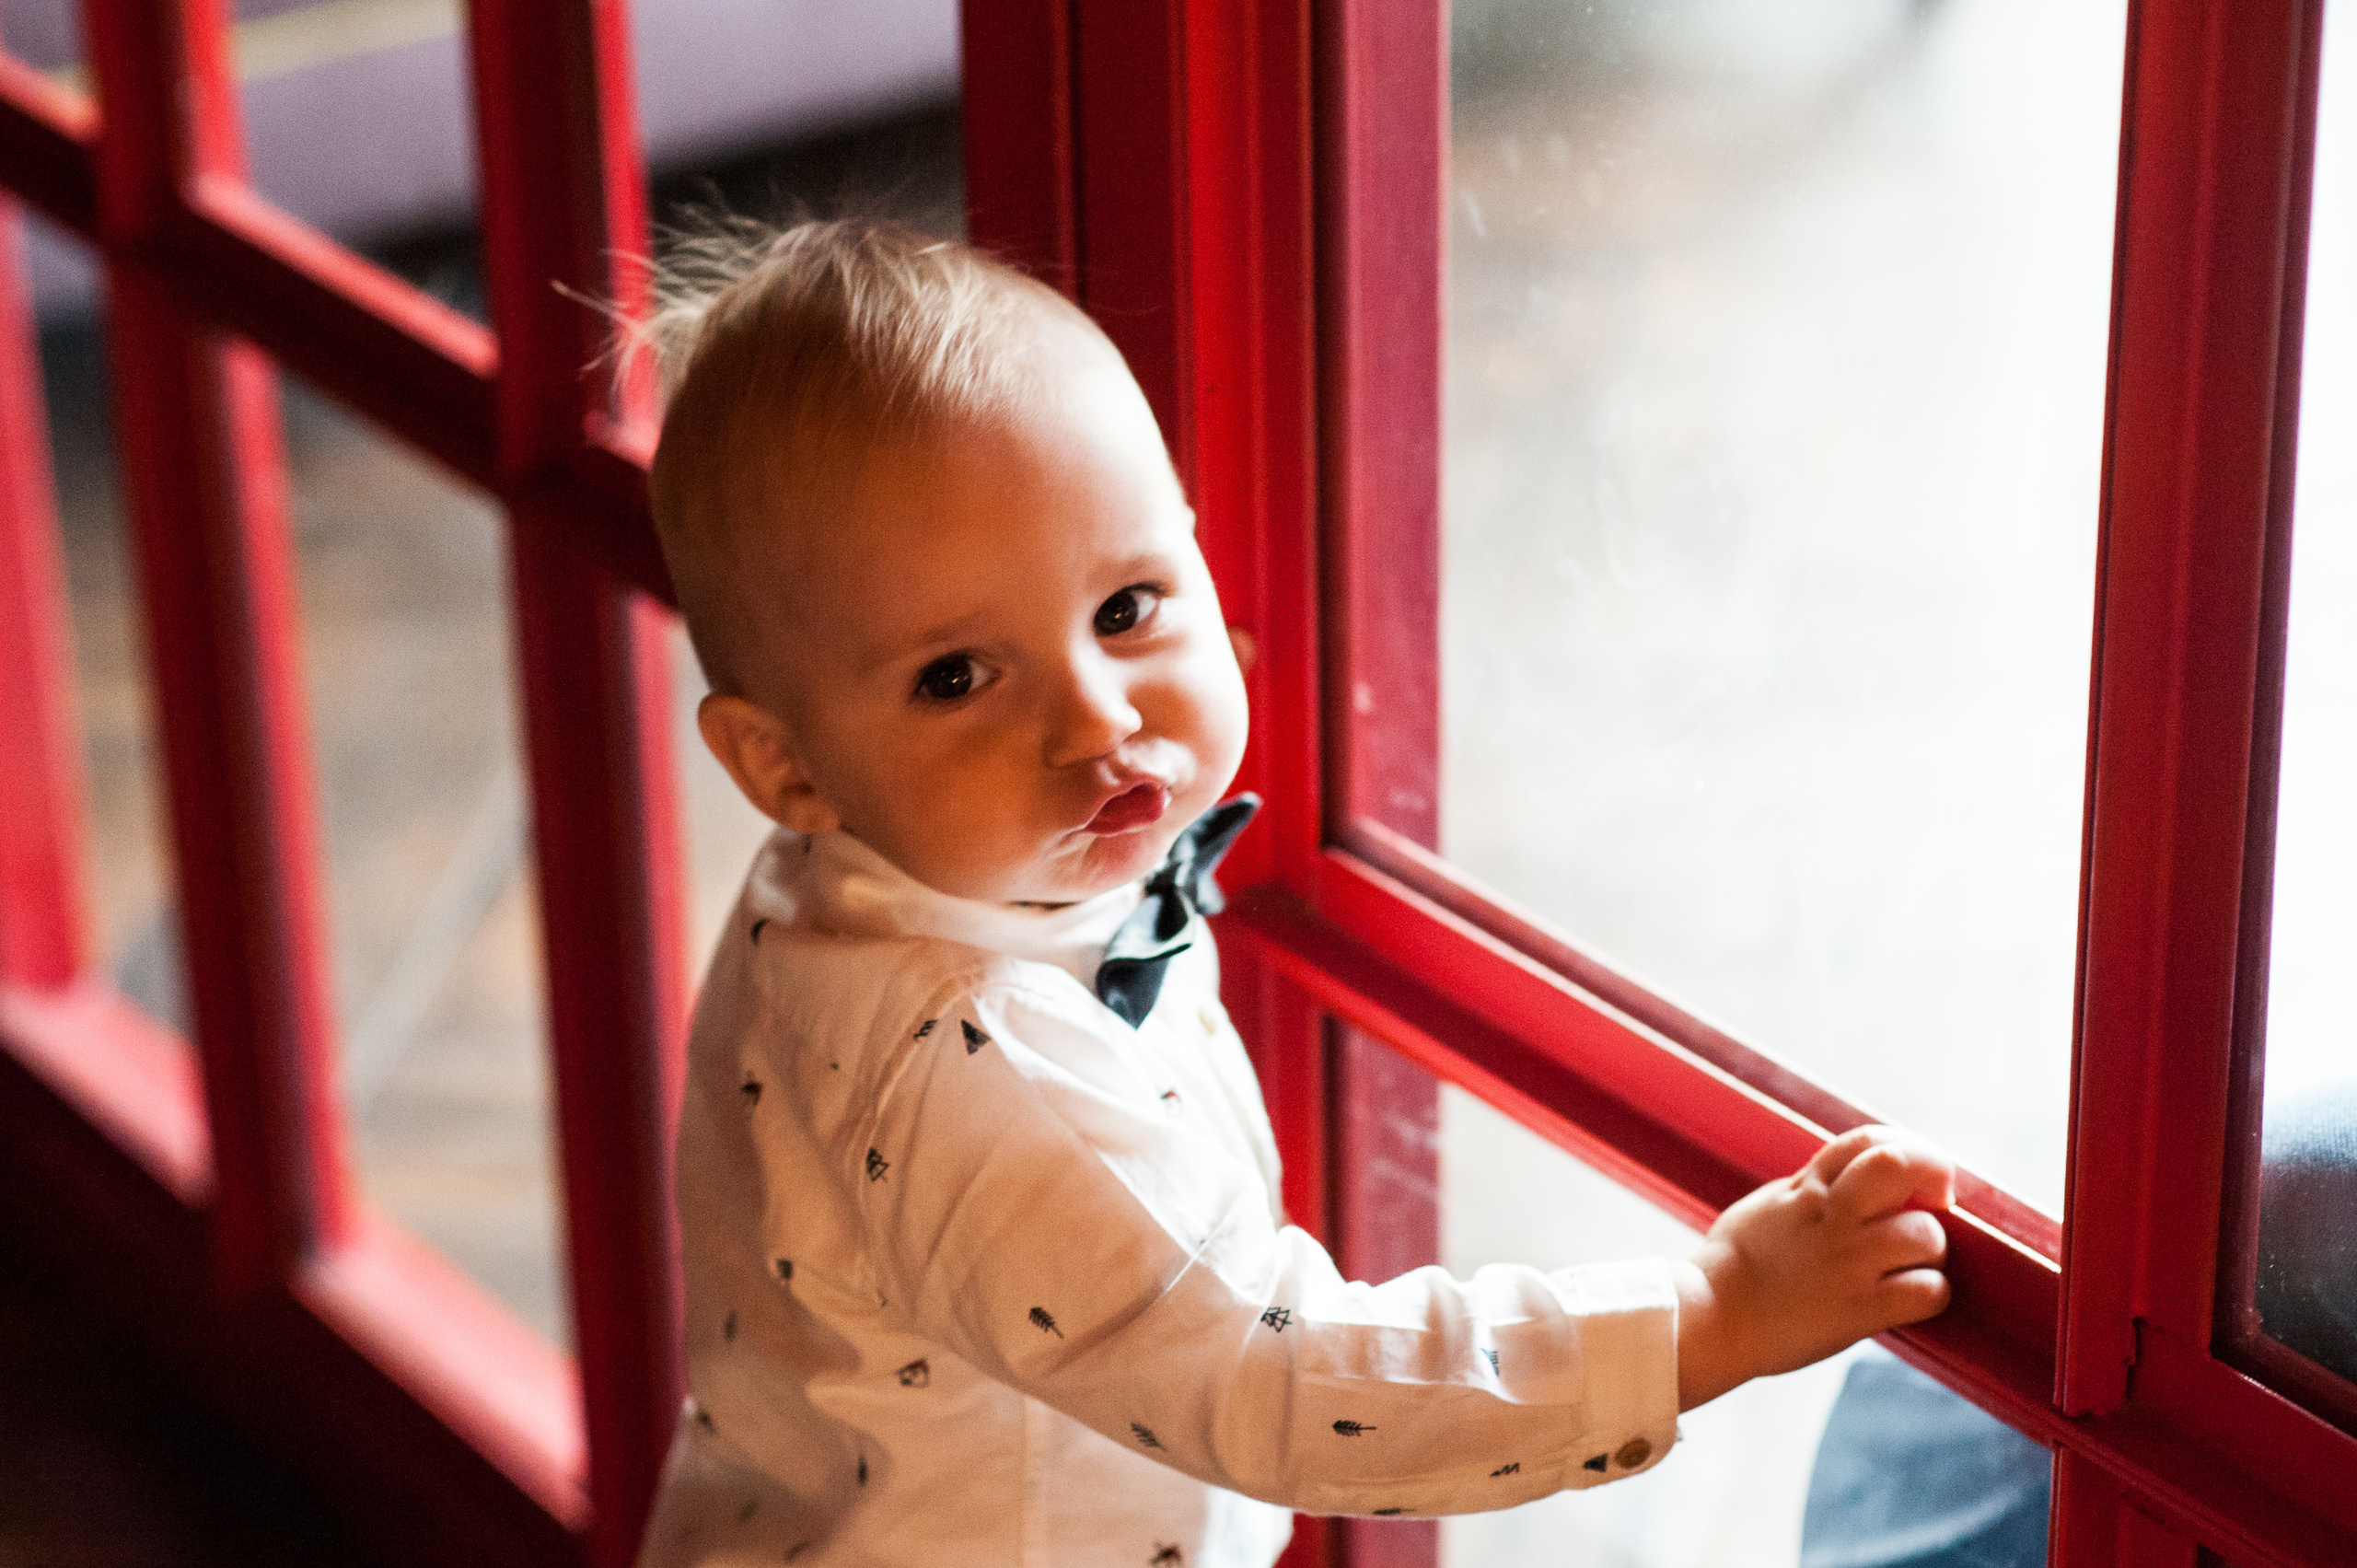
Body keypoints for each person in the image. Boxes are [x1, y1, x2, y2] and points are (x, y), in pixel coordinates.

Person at [630, 217, 1957, 1567]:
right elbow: (1276, 1377)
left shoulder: (852, 889)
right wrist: (1705, 1315)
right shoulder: (972, 1058)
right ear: (783, 766)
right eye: (957, 677)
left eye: (1128, 608)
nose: (1098, 722)